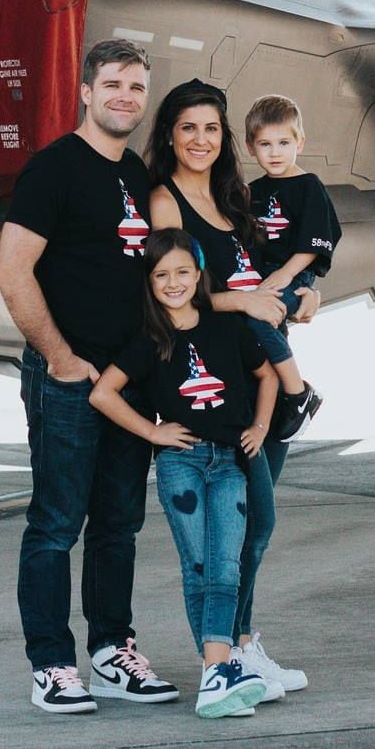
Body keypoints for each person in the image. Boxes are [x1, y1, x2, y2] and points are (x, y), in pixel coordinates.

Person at [0, 39, 179, 714]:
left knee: (118, 524)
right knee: (56, 522)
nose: (125, 97)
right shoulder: (54, 169)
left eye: (136, 87)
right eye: (113, 85)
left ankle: (111, 652)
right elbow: (12, 270)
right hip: (68, 378)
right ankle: (51, 664)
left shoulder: (135, 174)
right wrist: (59, 356)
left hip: (127, 381)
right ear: (85, 91)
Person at [143, 78, 312, 698]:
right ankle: (232, 653)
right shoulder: (165, 201)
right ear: (169, 135)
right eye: (188, 127)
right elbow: (175, 291)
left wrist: (305, 291)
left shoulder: (233, 196)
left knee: (257, 526)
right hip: (211, 386)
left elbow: (268, 268)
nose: (201, 139)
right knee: (245, 527)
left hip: (256, 376)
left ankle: (242, 643)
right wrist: (242, 302)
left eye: (211, 128)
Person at [90, 229, 278, 718]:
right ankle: (218, 672)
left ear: (198, 275)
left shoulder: (227, 327)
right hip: (181, 464)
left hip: (230, 463)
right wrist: (152, 432)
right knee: (198, 567)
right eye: (161, 275)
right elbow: (102, 393)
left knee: (226, 567)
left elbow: (267, 375)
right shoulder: (149, 340)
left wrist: (260, 427)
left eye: (181, 272)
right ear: (149, 282)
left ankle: (218, 673)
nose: (172, 283)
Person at [244, 92, 341, 442]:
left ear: (300, 143)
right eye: (265, 144)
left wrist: (285, 274)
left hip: (292, 273)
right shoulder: (252, 191)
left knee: (258, 317)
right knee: (263, 332)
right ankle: (274, 404)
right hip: (261, 278)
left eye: (284, 143)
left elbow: (316, 241)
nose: (275, 153)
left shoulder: (308, 186)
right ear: (250, 147)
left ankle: (299, 393)